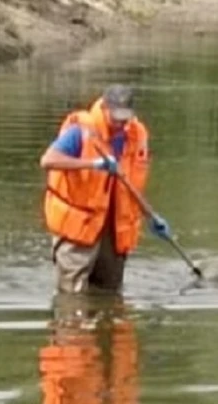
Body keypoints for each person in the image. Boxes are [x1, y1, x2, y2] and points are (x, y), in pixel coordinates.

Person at [39, 84, 172, 294]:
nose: (120, 123)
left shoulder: (136, 136)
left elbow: (130, 185)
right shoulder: (81, 131)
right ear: (105, 109)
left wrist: (151, 217)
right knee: (72, 298)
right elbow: (48, 160)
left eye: (125, 118)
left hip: (114, 228)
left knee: (109, 294)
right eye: (115, 117)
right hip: (78, 228)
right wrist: (93, 164)